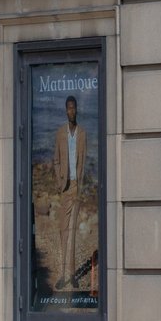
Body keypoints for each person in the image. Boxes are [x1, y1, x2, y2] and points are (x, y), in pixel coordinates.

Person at [52, 95, 88, 290]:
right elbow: (56, 160)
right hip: (65, 188)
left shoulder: (82, 134)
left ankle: (72, 275)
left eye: (73, 108)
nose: (71, 111)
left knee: (72, 232)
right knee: (63, 231)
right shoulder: (60, 133)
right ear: (66, 110)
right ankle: (62, 274)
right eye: (69, 108)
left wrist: (81, 188)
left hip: (77, 187)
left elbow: (84, 163)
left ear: (77, 110)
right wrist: (59, 182)